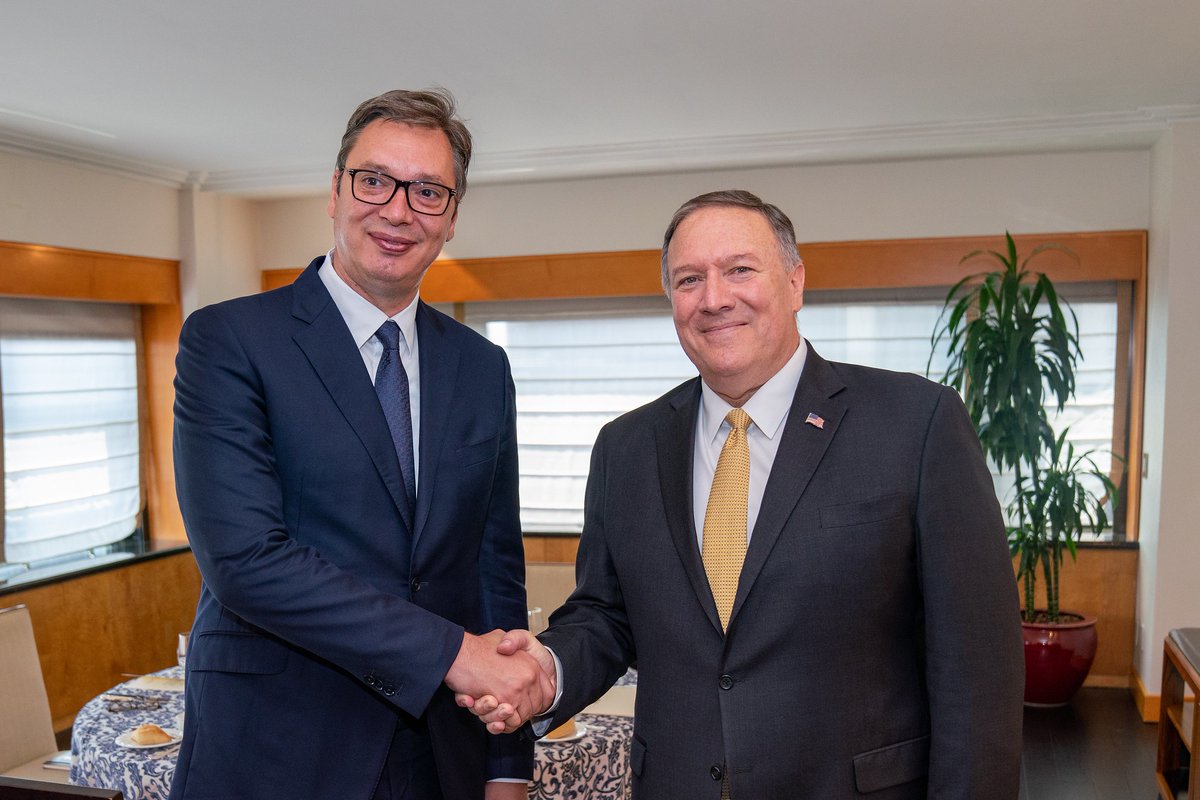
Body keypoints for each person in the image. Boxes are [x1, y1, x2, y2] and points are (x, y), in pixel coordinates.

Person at [463, 190, 1025, 798]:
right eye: (689, 279)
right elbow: (606, 616)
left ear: (795, 282)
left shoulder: (916, 423)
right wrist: (547, 670)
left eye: (739, 269)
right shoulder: (626, 447)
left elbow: (977, 670)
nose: (714, 299)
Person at [170, 89, 551, 800]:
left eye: (428, 191)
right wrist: (452, 654)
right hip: (277, 749)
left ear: (452, 217)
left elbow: (495, 568)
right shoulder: (230, 340)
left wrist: (506, 764)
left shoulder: (482, 366)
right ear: (335, 192)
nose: (398, 210)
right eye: (374, 180)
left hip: (442, 753)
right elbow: (246, 562)